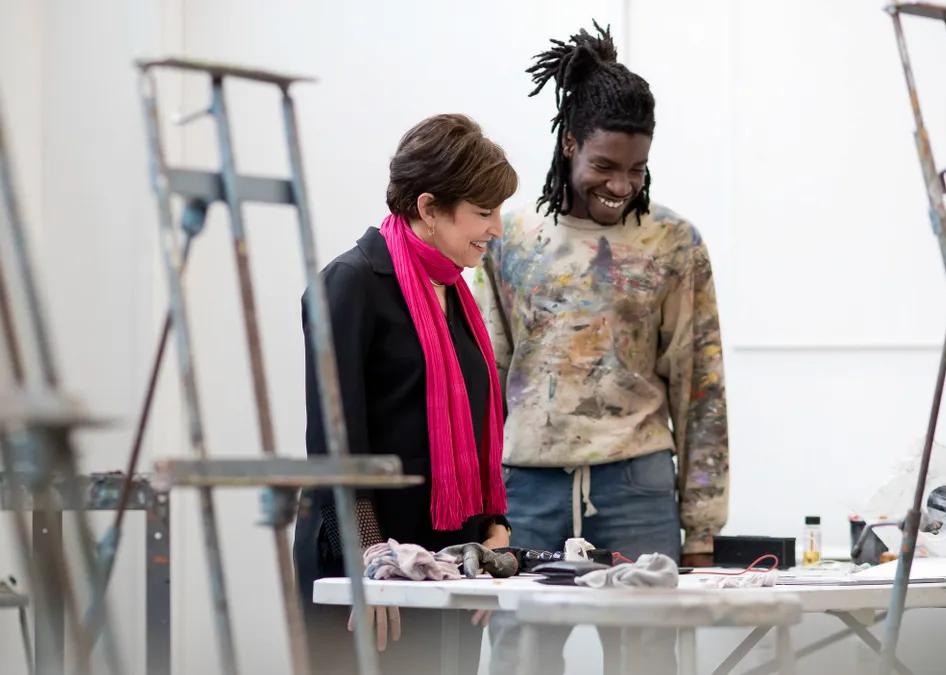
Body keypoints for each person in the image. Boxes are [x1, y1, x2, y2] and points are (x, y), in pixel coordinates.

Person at [473, 22, 729, 674]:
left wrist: (700, 531)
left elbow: (701, 388)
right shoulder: (511, 239)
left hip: (638, 484)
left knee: (645, 659)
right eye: (605, 167)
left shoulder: (675, 243)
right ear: (568, 144)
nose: (620, 184)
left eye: (636, 168)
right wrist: (482, 510)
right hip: (528, 488)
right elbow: (486, 373)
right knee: (519, 658)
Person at [293, 113, 518, 675]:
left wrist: (492, 529)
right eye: (483, 212)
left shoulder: (453, 292)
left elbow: (474, 422)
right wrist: (373, 559)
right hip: (368, 564)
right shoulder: (350, 283)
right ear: (428, 207)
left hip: (443, 566)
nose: (495, 228)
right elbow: (334, 445)